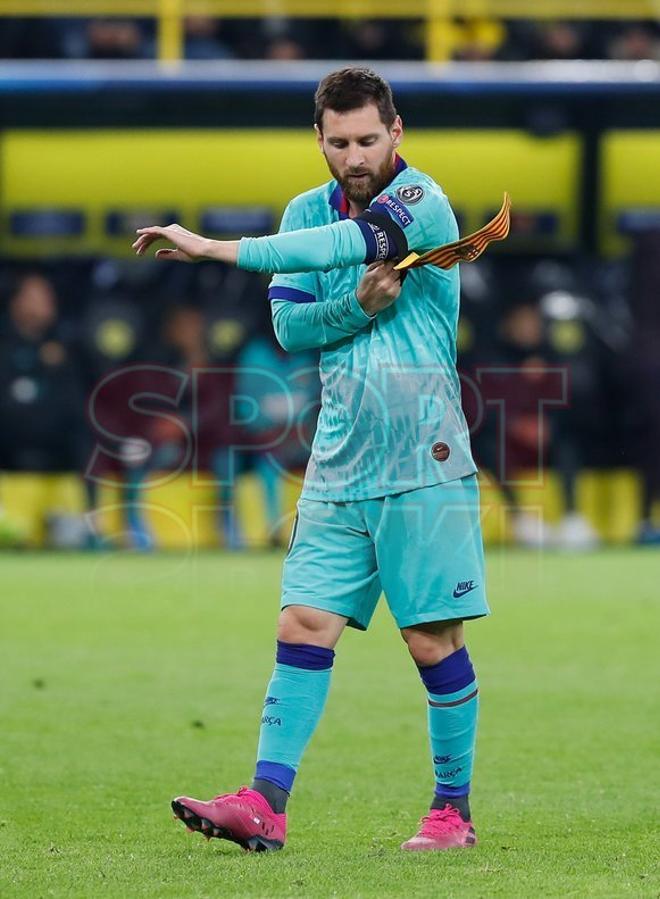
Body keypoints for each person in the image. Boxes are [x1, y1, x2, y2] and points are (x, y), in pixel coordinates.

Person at [134, 67, 488, 853]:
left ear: (397, 133)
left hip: (424, 456)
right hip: (338, 462)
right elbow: (294, 331)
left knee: (430, 639)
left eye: (369, 139)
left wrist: (214, 246)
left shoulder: (421, 202)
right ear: (319, 140)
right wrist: (355, 306)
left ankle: (451, 812)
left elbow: (349, 243)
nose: (355, 156)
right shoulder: (301, 209)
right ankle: (265, 803)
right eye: (340, 143)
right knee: (302, 622)